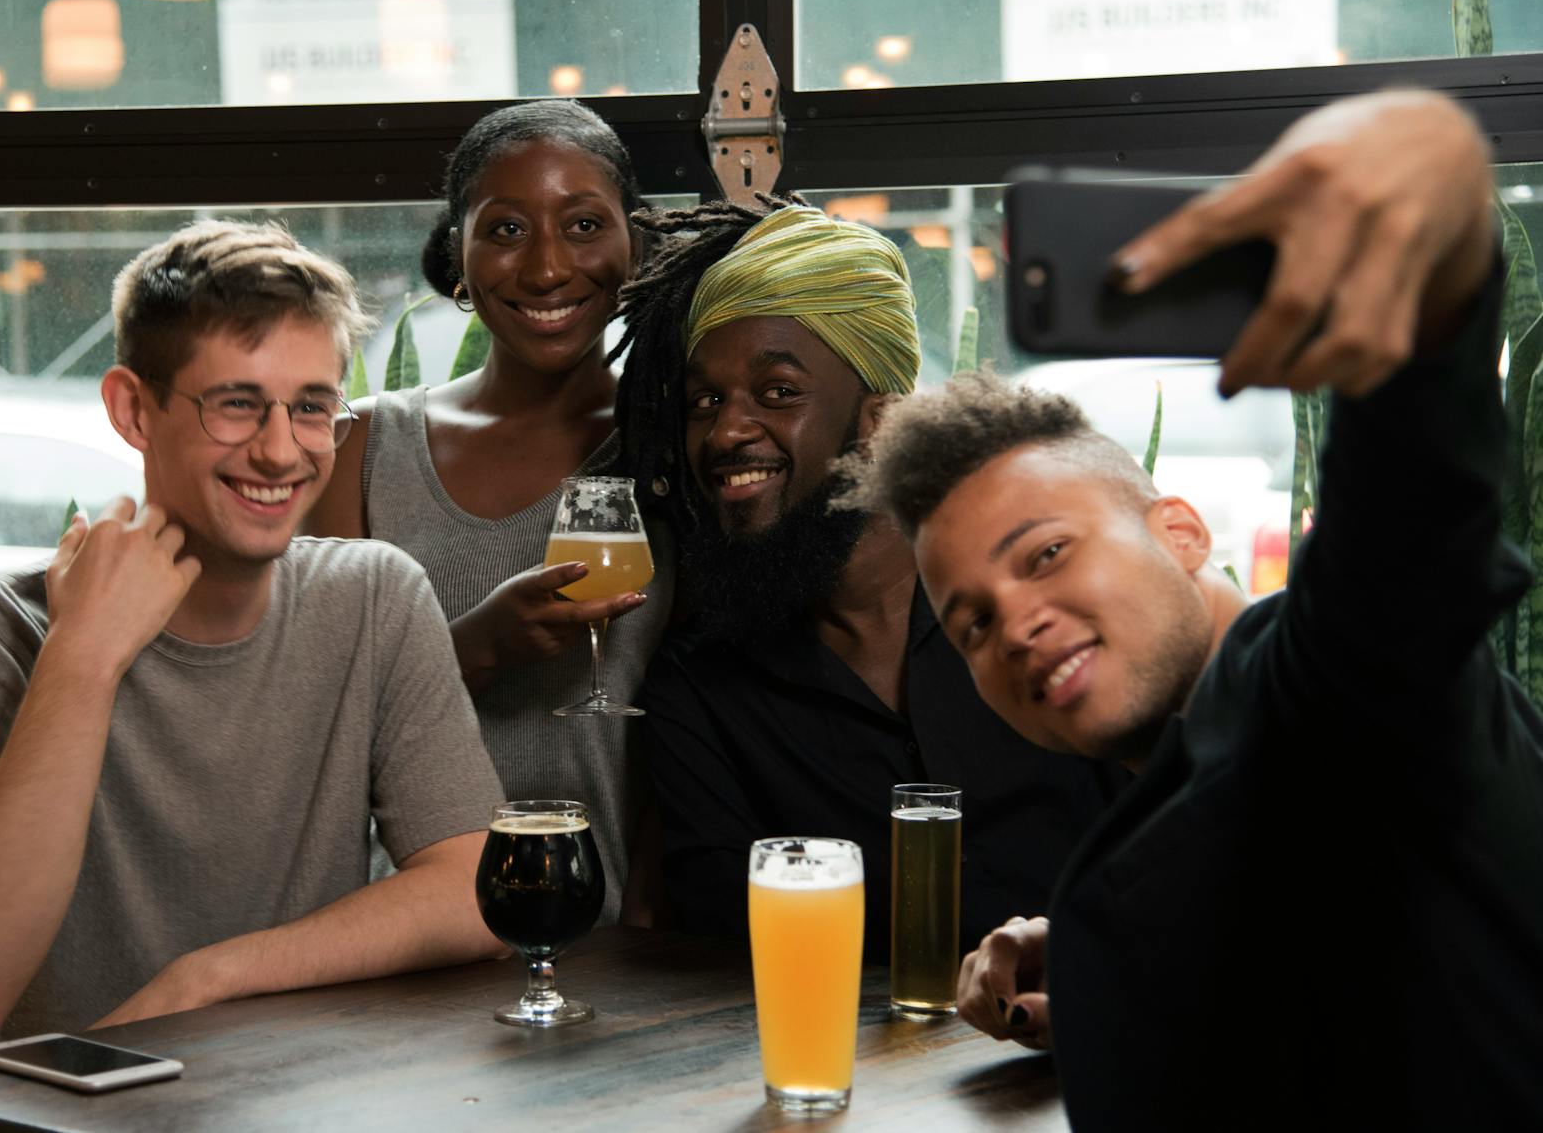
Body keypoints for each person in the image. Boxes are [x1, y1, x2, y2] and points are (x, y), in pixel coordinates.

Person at [849, 90, 1543, 1126]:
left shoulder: (1319, 684)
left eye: (1044, 553)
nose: (1016, 624)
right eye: (971, 624)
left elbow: (1409, 504)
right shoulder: (1174, 802)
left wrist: (1425, 160)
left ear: (1178, 532)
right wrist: (1093, 961)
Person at [0, 221, 508, 1068]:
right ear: (133, 409)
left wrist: (206, 980)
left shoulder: (375, 598)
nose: (281, 449)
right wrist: (85, 653)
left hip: (247, 1101)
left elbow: (477, 888)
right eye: (236, 402)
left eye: (312, 406)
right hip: (9, 1115)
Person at [612, 197, 1125, 962]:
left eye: (778, 391)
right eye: (706, 401)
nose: (725, 431)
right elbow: (726, 953)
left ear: (880, 422)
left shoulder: (1045, 613)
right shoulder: (699, 691)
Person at [304, 100, 672, 924]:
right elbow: (307, 729)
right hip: (397, 943)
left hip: (621, 948)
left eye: (584, 225)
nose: (547, 268)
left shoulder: (679, 452)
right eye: (505, 231)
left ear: (635, 249)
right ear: (459, 258)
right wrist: (472, 647)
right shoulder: (363, 447)